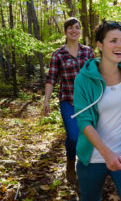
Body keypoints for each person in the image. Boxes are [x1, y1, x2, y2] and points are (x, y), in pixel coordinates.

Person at [73, 21, 121, 200]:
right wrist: (107, 154)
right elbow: (84, 121)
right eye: (113, 40)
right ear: (99, 45)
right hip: (93, 157)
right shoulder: (83, 79)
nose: (120, 46)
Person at [43, 17, 94, 184]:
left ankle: (85, 169)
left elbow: (95, 76)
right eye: (71, 27)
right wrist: (47, 101)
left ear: (80, 31)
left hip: (88, 102)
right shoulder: (58, 54)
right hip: (68, 102)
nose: (74, 30)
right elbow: (51, 79)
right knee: (73, 137)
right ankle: (71, 162)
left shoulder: (88, 52)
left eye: (77, 27)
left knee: (88, 136)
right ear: (65, 32)